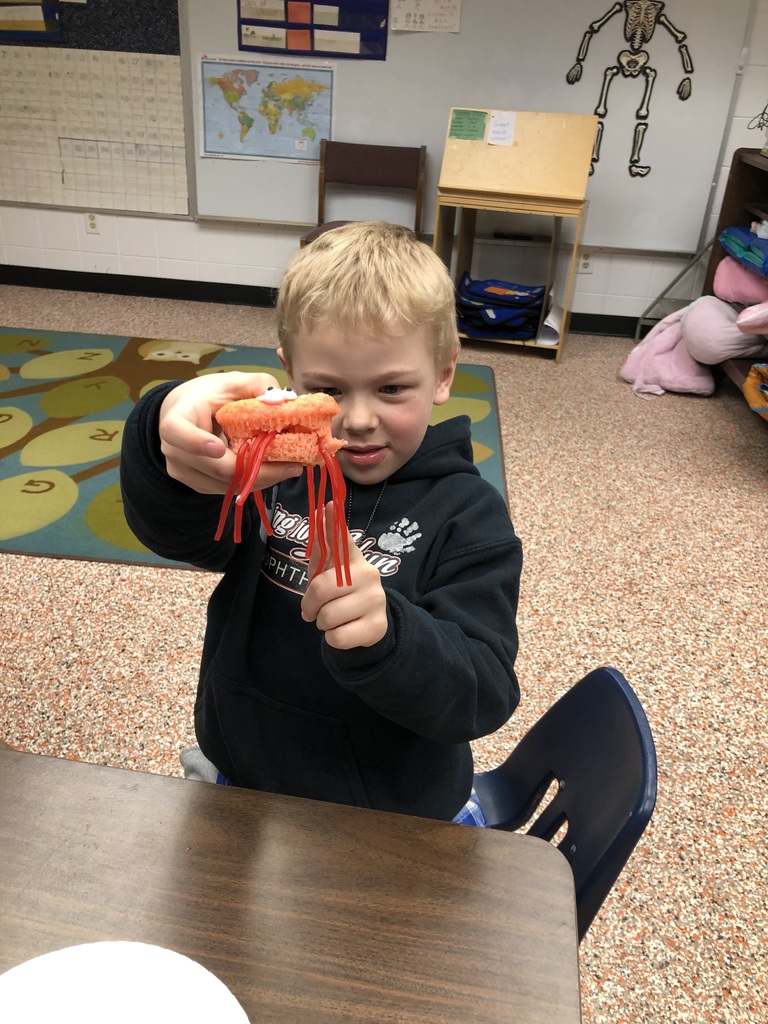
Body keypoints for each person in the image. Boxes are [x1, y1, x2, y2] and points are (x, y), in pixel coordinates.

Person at [120, 221, 522, 822]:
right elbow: (180, 534)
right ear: (290, 375)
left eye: (391, 388)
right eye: (328, 389)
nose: (357, 419)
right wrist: (162, 441)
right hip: (244, 771)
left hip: (385, 812)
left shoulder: (470, 515)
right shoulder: (275, 470)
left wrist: (389, 635)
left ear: (443, 374)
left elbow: (483, 691)